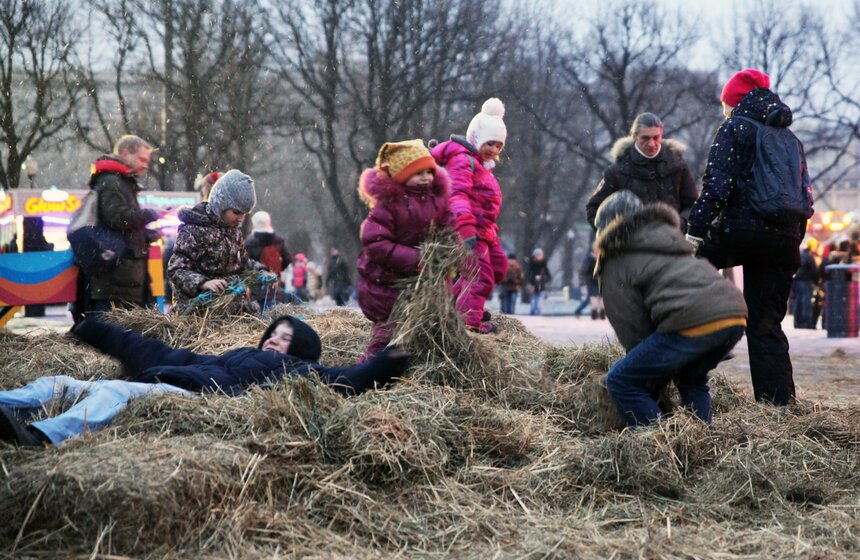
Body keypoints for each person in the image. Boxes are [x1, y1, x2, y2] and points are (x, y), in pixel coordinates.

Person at [0, 315, 409, 447]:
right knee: (62, 381)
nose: (274, 342)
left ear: (299, 352)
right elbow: (157, 353)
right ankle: (7, 404)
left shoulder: (299, 374)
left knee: (117, 389)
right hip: (177, 379)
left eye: (287, 340)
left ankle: (42, 436)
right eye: (273, 334)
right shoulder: (225, 357)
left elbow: (348, 379)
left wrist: (388, 362)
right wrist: (98, 330)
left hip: (192, 399)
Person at [686, 69, 810, 406]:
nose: (723, 110)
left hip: (741, 230)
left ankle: (678, 364)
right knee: (767, 324)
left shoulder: (735, 128)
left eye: (724, 103)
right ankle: (777, 407)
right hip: (783, 240)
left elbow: (717, 187)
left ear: (733, 102)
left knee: (680, 276)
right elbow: (803, 198)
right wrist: (793, 245)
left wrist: (694, 233)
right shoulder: (790, 139)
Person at [594, 191, 747, 427]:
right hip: (733, 313)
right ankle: (700, 444)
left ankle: (660, 446)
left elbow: (632, 324)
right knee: (691, 379)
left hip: (693, 320)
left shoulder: (616, 255)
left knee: (622, 380)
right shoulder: (666, 236)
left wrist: (648, 374)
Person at [356, 139, 452, 358]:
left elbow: (448, 225)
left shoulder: (437, 200)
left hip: (423, 282)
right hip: (387, 282)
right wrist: (416, 259)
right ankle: (369, 370)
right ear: (401, 174)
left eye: (429, 171)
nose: (426, 177)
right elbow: (375, 242)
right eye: (419, 173)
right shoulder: (389, 204)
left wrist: (448, 250)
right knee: (388, 333)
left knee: (424, 332)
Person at [430, 98, 508, 333]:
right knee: (478, 276)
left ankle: (456, 305)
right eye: (489, 143)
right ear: (476, 138)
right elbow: (458, 195)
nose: (493, 150)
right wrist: (465, 227)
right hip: (466, 229)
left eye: (498, 146)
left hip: (484, 231)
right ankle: (467, 325)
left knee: (498, 268)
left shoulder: (482, 165)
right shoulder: (463, 160)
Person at [73, 135, 161, 321]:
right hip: (115, 284)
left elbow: (117, 229)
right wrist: (149, 215)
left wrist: (145, 236)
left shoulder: (117, 182)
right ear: (125, 153)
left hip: (119, 283)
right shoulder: (113, 183)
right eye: (142, 159)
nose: (145, 165)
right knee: (113, 337)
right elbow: (117, 218)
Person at [168, 170, 267, 315]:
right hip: (200, 307)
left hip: (230, 303)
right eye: (236, 212)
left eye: (244, 214)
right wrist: (203, 283)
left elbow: (242, 262)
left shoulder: (234, 231)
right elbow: (176, 270)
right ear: (221, 205)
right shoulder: (194, 230)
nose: (240, 218)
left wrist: (262, 271)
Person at [585, 112, 698, 232]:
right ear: (634, 136)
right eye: (645, 138)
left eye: (656, 137)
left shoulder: (678, 166)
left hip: (672, 243)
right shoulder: (617, 171)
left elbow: (693, 205)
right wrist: (618, 234)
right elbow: (594, 210)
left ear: (661, 135)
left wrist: (679, 224)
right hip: (632, 247)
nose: (651, 144)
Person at [245, 211, 292, 310]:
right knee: (272, 307)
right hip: (273, 281)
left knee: (256, 311)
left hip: (255, 283)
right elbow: (288, 258)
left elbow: (245, 262)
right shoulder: (278, 241)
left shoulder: (249, 242)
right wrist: (277, 271)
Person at [792, 240, 820, 329]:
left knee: (798, 302)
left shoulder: (800, 254)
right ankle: (807, 323)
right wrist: (817, 283)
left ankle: (798, 323)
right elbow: (814, 272)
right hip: (806, 282)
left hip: (796, 282)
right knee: (806, 303)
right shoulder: (809, 257)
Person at [527, 248, 552, 316]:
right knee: (534, 298)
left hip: (541, 283)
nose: (539, 256)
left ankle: (538, 311)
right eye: (538, 255)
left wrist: (547, 279)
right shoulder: (532, 263)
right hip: (533, 283)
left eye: (540, 255)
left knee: (540, 298)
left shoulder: (544, 263)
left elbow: (547, 273)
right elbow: (529, 274)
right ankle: (533, 311)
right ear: (535, 256)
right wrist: (531, 281)